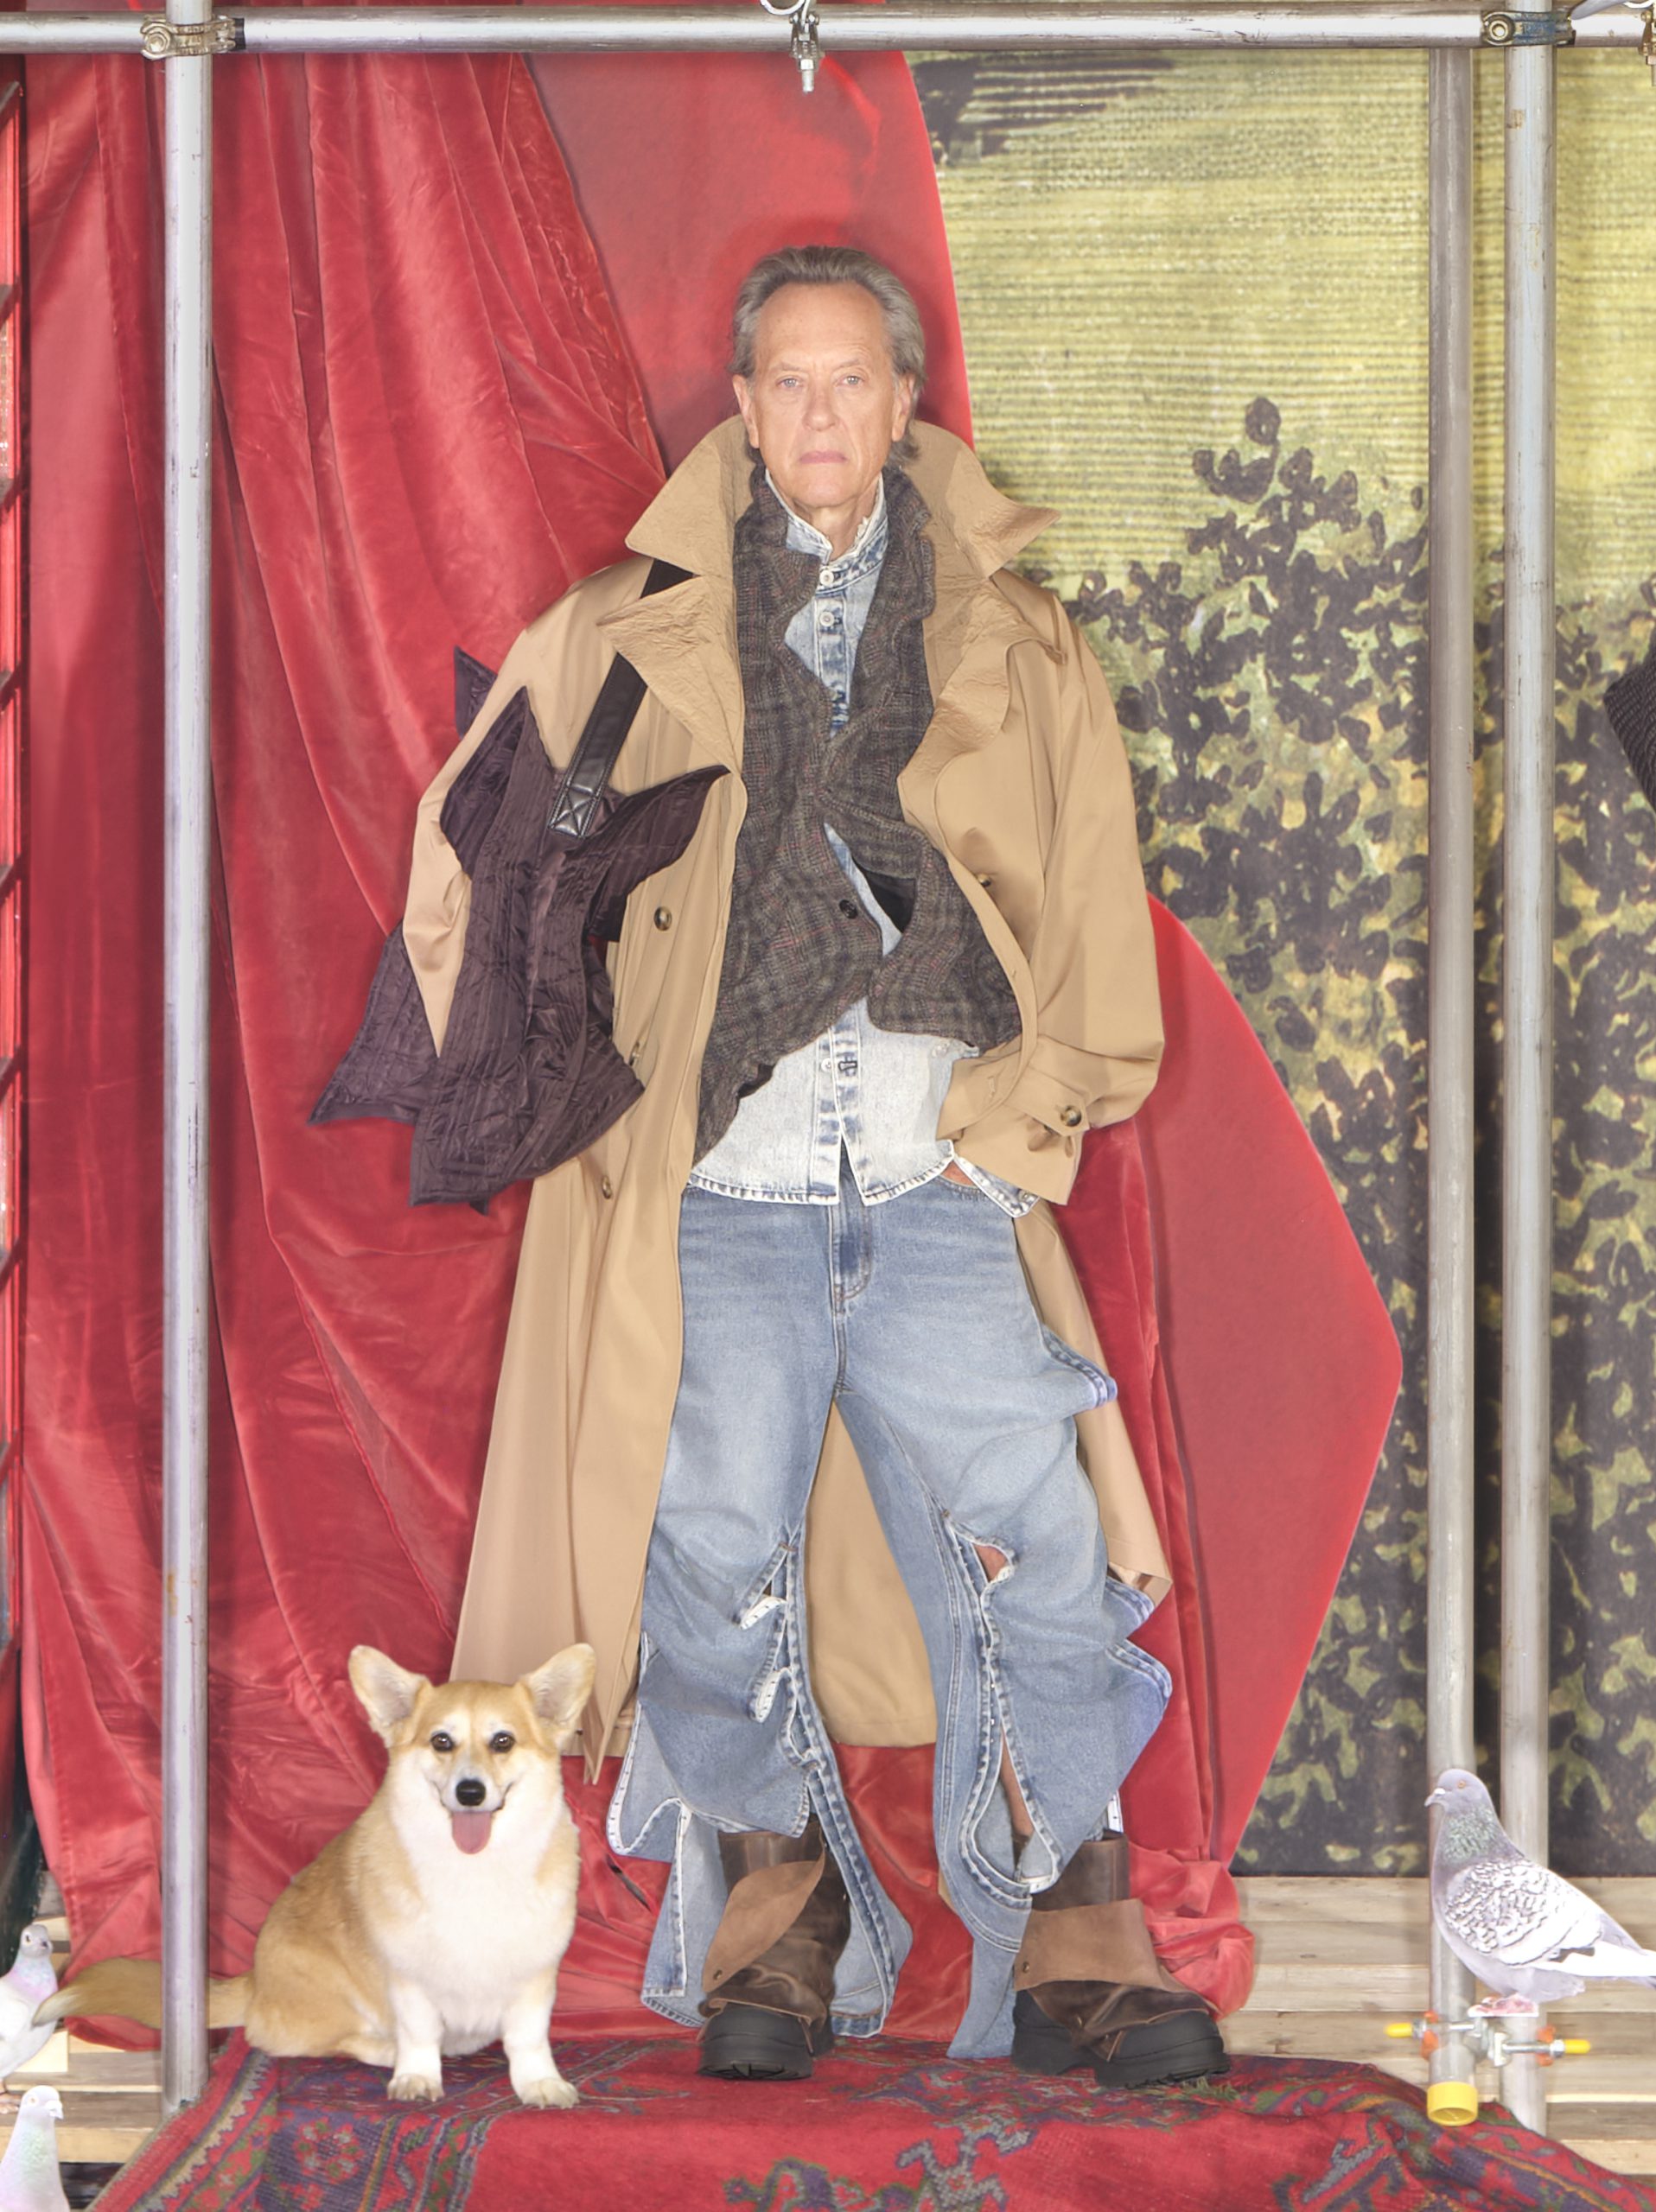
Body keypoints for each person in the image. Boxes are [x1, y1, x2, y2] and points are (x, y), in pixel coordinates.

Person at [397, 245, 1226, 2088]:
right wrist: (569, 1090)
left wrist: (1026, 1130)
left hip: (936, 1168)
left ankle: (1079, 1919)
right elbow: (470, 864)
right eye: (789, 379)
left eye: (854, 378)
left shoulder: (1017, 635)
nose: (822, 411)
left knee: (1036, 1538)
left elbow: (1094, 896)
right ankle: (778, 1901)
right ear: (746, 405)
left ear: (905, 401)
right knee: (706, 1552)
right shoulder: (620, 629)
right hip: (719, 1183)